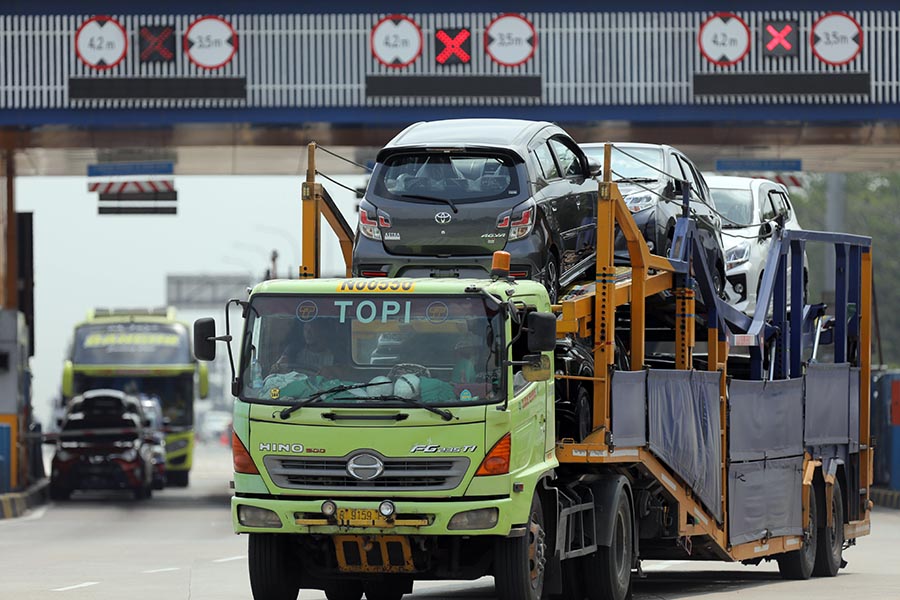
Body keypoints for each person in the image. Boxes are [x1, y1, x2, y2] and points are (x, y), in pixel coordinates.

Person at [270, 318, 334, 375]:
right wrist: (277, 367)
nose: (308, 333)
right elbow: (280, 364)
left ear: (322, 331)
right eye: (305, 329)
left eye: (312, 329)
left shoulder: (334, 355)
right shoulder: (294, 350)